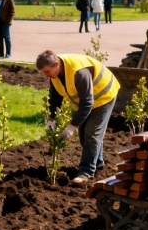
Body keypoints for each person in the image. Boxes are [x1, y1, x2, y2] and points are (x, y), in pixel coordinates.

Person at [36, 50, 120, 184]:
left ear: (56, 64)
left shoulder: (79, 72)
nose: (45, 75)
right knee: (84, 137)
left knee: (92, 134)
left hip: (104, 95)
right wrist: (51, 119)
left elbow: (87, 103)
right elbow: (55, 98)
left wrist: (71, 126)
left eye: (47, 72)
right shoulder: (55, 76)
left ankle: (86, 172)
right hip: (86, 101)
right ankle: (98, 163)